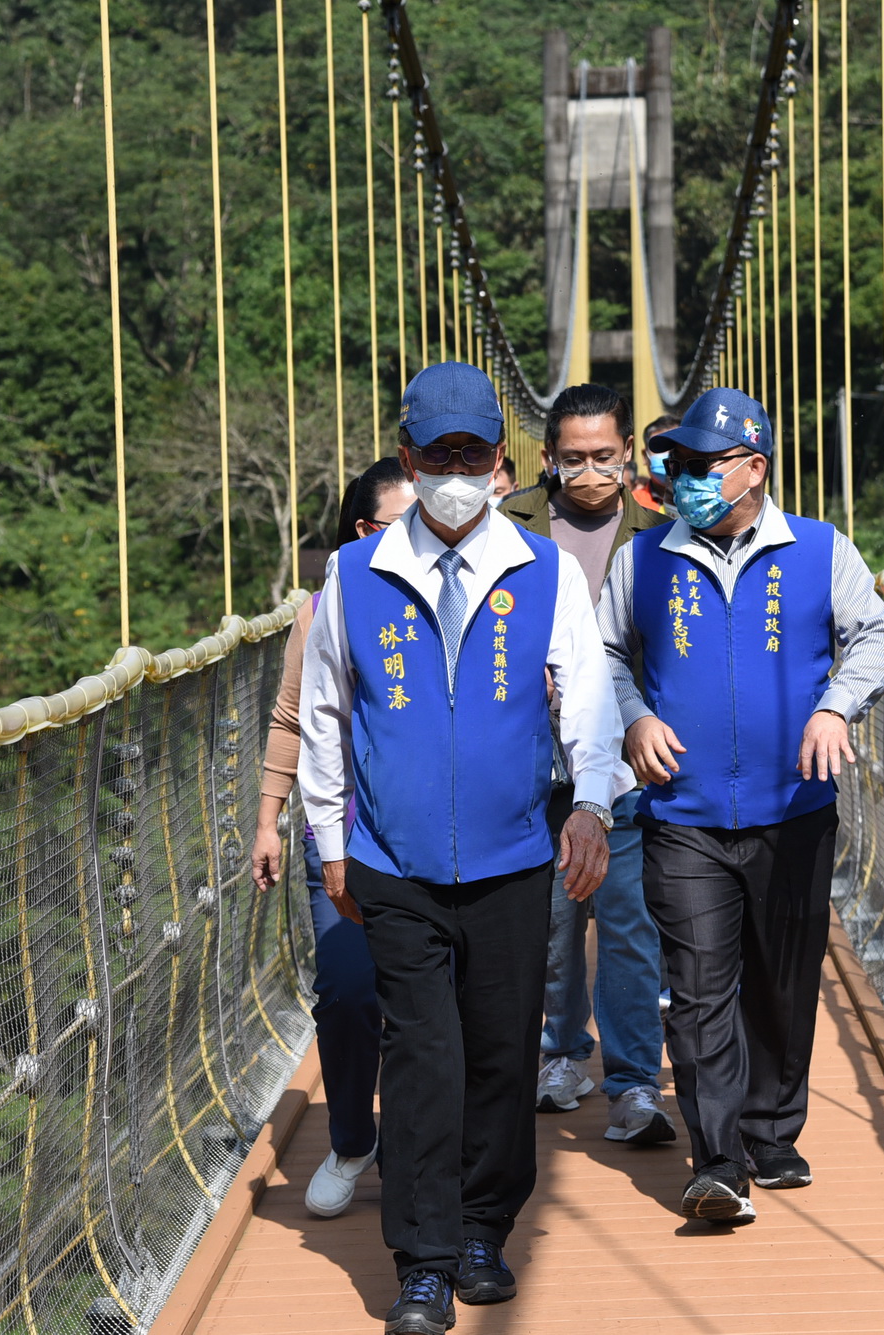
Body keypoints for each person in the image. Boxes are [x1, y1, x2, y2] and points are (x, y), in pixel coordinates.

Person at [299, 361, 631, 1335]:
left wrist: (593, 807)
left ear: (499, 463)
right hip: (393, 863)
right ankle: (422, 1264)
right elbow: (324, 719)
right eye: (435, 454)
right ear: (407, 456)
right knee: (421, 1058)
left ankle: (486, 1228)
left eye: (471, 454)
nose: (454, 470)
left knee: (497, 1054)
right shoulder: (352, 575)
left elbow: (593, 703)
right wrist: (329, 838)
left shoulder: (543, 571)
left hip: (514, 855)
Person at [599, 386, 884, 1225]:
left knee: (782, 978)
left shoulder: (819, 550)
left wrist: (837, 704)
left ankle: (773, 1130)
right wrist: (635, 718)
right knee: (699, 986)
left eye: (704, 466)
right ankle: (720, 1159)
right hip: (683, 811)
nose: (686, 479)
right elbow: (603, 656)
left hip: (794, 807)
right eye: (679, 465)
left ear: (754, 469)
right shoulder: (643, 559)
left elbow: (879, 635)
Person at [495, 384, 672, 1146]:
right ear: (548, 459)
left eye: (605, 456)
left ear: (628, 451)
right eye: (574, 459)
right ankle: (561, 1053)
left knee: (629, 921)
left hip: (624, 757)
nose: (592, 471)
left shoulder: (661, 535)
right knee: (555, 919)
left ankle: (634, 1082)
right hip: (530, 754)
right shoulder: (506, 528)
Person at [252, 457, 415, 1218]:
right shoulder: (323, 610)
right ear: (361, 531)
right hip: (339, 831)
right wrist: (268, 818)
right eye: (398, 523)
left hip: (425, 832)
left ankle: (424, 1146)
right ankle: (353, 1139)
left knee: (432, 996)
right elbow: (291, 717)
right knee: (349, 992)